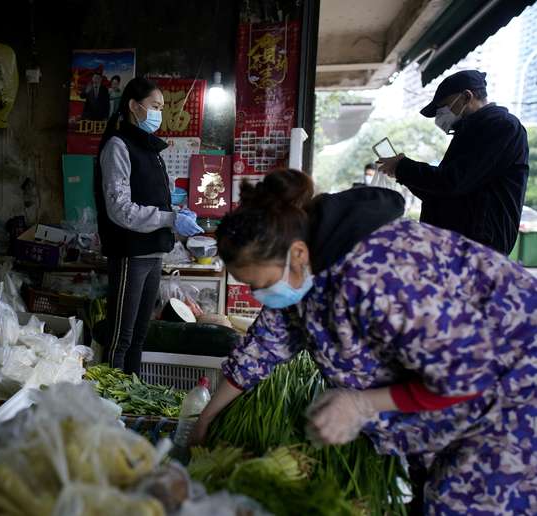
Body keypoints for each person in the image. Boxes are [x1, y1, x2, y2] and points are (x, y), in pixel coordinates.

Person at [190, 169, 536, 514]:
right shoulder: (307, 269)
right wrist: (206, 418)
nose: (259, 295)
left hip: (515, 393)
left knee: (465, 503)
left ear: (296, 254)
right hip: (453, 397)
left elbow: (467, 372)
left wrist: (361, 404)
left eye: (259, 283)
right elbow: (264, 346)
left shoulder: (381, 272)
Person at [94, 77, 203, 374]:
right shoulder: (118, 146)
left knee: (140, 335)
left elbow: (157, 198)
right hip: (131, 252)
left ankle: (130, 393)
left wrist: (179, 211)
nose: (158, 114)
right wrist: (169, 218)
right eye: (155, 106)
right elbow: (120, 209)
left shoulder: (151, 150)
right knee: (121, 337)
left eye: (161, 107)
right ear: (133, 106)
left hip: (154, 251)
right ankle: (109, 402)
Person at [378, 70, 529, 254]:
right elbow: (441, 193)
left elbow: (453, 181)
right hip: (458, 244)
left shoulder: (501, 126)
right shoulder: (470, 132)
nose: (440, 116)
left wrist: (403, 167)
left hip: (478, 248)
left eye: (444, 107)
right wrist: (401, 172)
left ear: (467, 96)